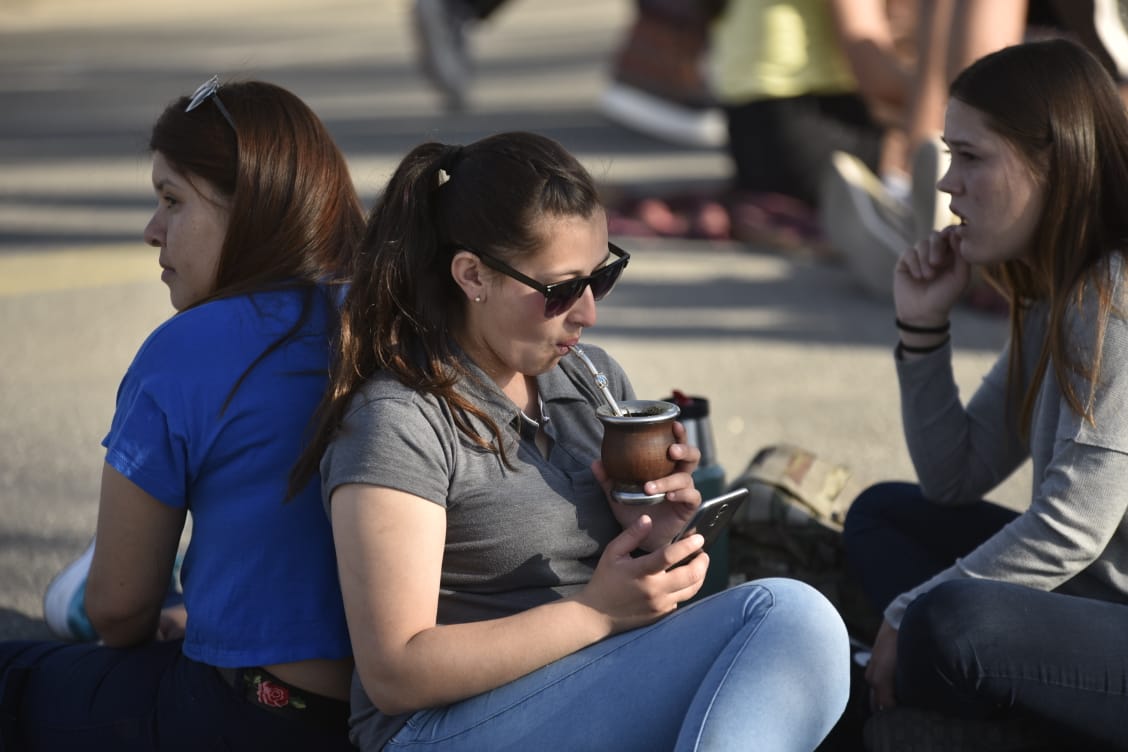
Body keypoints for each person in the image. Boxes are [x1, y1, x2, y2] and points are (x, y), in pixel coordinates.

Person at [293, 130, 851, 750]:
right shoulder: (400, 420)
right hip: (444, 727)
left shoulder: (592, 383)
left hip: (584, 689)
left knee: (801, 631)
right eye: (560, 289)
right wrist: (595, 612)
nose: (587, 312)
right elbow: (395, 671)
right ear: (472, 275)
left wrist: (657, 532)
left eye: (601, 276)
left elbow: (630, 597)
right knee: (784, 615)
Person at [0, 77, 364, 749]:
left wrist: (150, 607)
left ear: (250, 208)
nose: (152, 230)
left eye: (173, 200)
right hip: (396, 717)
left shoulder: (188, 348)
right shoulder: (391, 322)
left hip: (252, 712)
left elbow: (115, 608)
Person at [841, 39, 1128, 751]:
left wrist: (909, 612)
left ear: (1055, 166)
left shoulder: (1113, 295)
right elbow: (953, 478)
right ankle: (988, 703)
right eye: (947, 154)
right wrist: (922, 327)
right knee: (883, 516)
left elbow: (1072, 528)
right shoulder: (1051, 290)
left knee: (950, 623)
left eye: (970, 157)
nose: (945, 184)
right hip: (1092, 602)